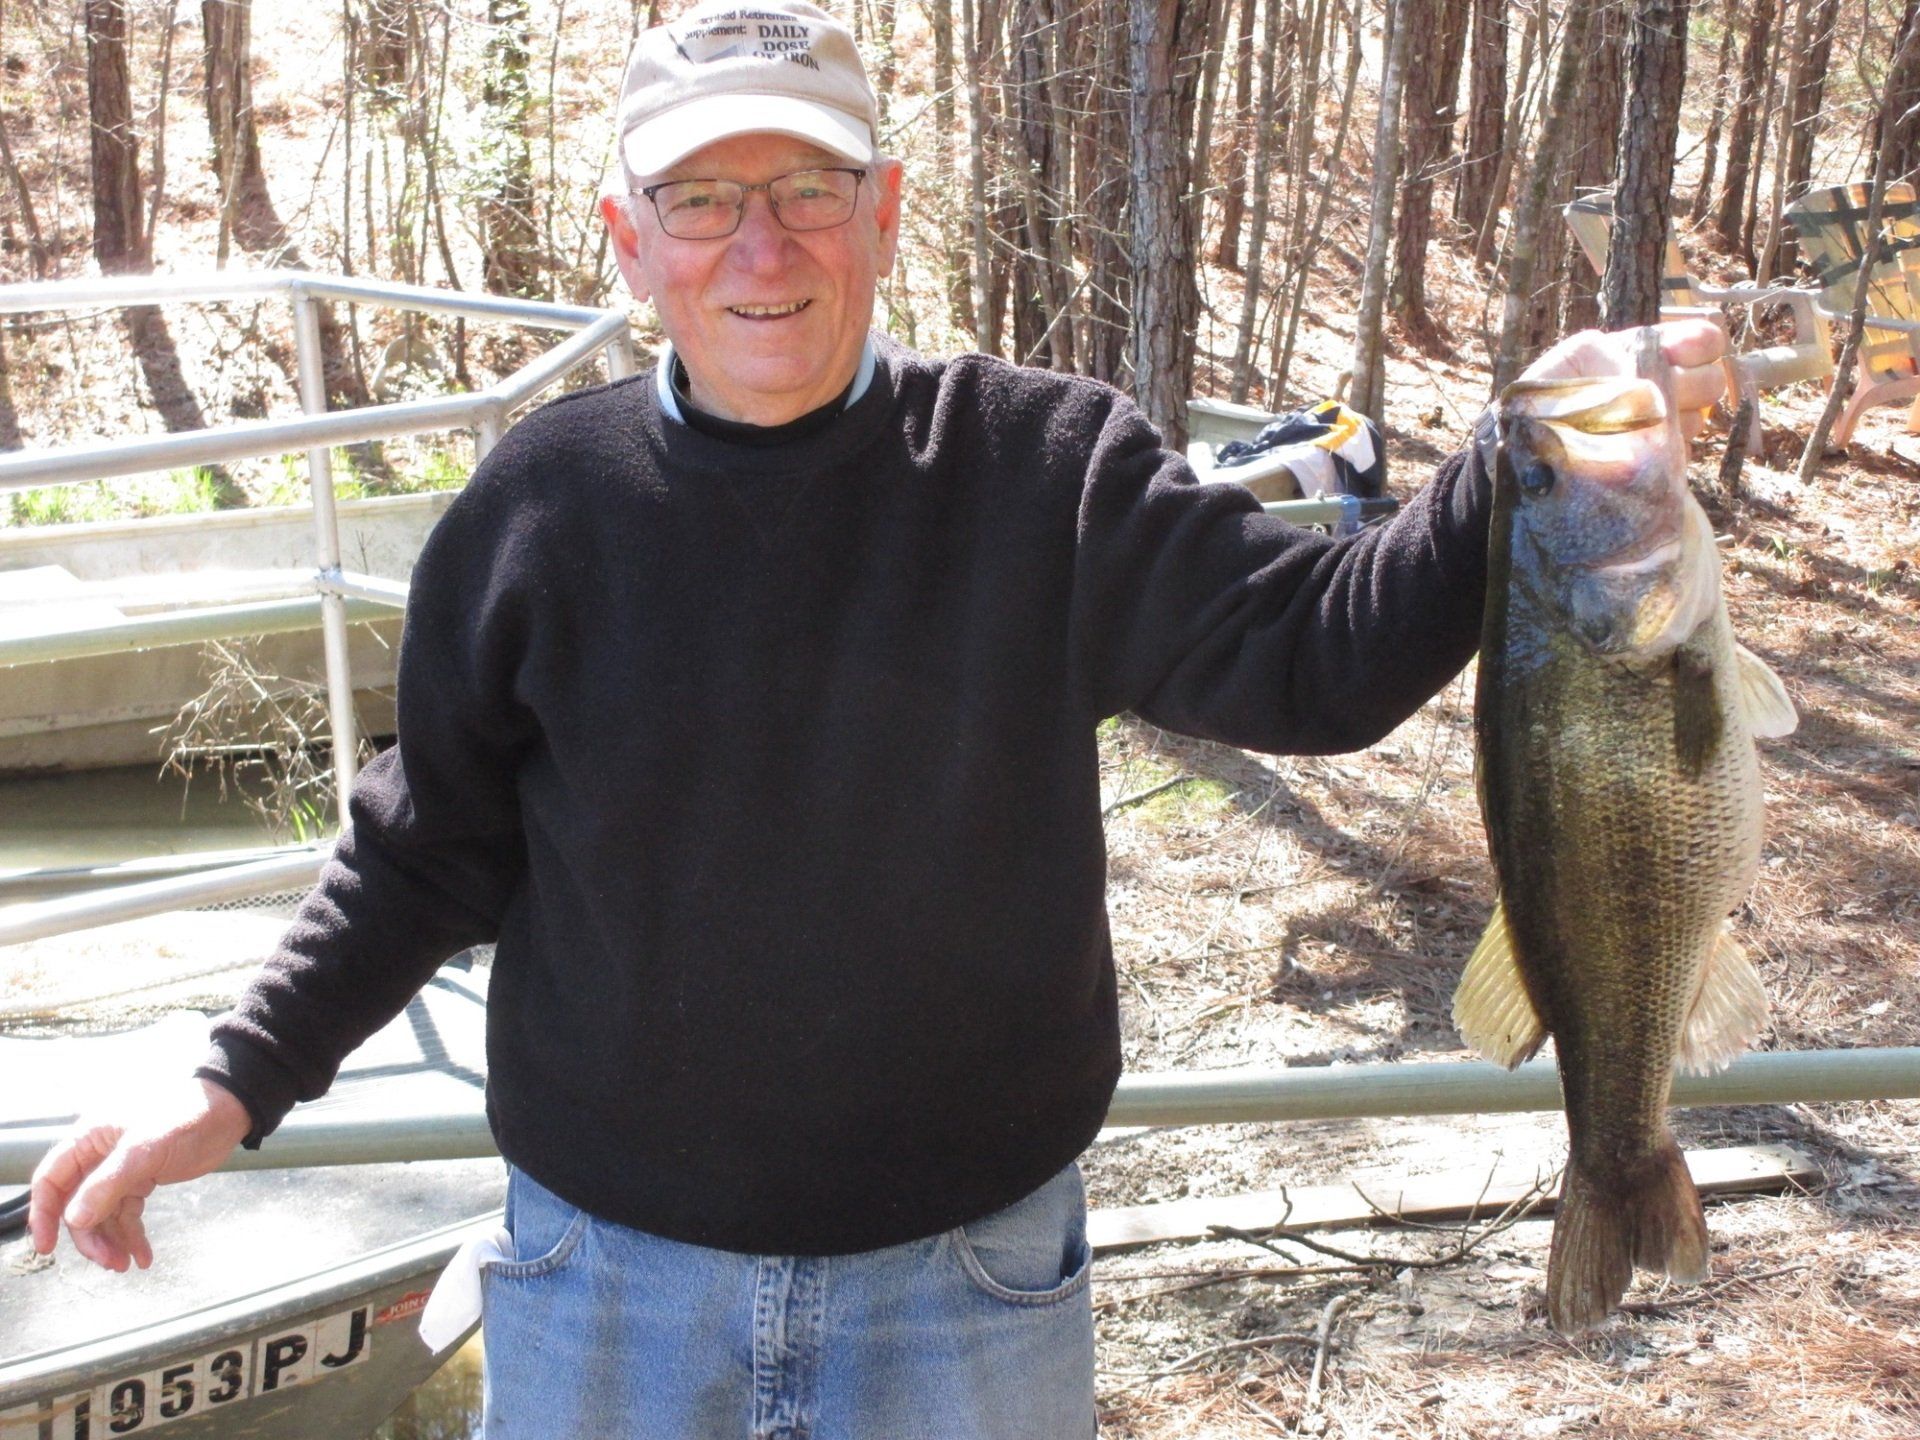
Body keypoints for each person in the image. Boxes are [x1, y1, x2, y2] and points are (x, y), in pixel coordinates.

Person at [28, 4, 1729, 1435]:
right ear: (628, 240)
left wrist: (1527, 458)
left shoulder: (1047, 468)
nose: (758, 246)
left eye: (808, 187)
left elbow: (1316, 660)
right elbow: (425, 851)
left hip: (966, 1297)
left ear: (889, 206)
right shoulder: (542, 501)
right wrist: (234, 1077)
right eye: (700, 199)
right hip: (603, 1292)